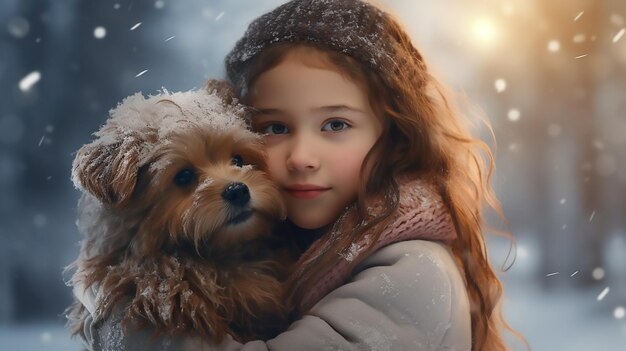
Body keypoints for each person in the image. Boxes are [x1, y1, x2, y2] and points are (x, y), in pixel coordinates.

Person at [79, 0, 524, 350]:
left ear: (396, 137)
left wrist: (126, 321)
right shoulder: (300, 243)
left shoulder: (410, 272)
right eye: (274, 128)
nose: (301, 156)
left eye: (336, 125)